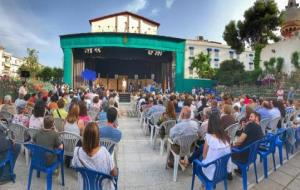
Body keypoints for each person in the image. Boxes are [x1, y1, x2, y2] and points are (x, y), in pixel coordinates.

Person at [180, 113, 232, 180]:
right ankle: (189, 161)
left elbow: (204, 157)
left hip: (211, 173)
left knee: (198, 158)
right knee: (202, 148)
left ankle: (204, 184)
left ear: (210, 124)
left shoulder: (209, 137)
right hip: (223, 171)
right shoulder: (226, 137)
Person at [72, 122, 118, 190]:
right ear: (97, 137)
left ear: (84, 136)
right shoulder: (104, 152)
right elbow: (114, 173)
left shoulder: (77, 152)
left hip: (85, 187)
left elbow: (74, 165)